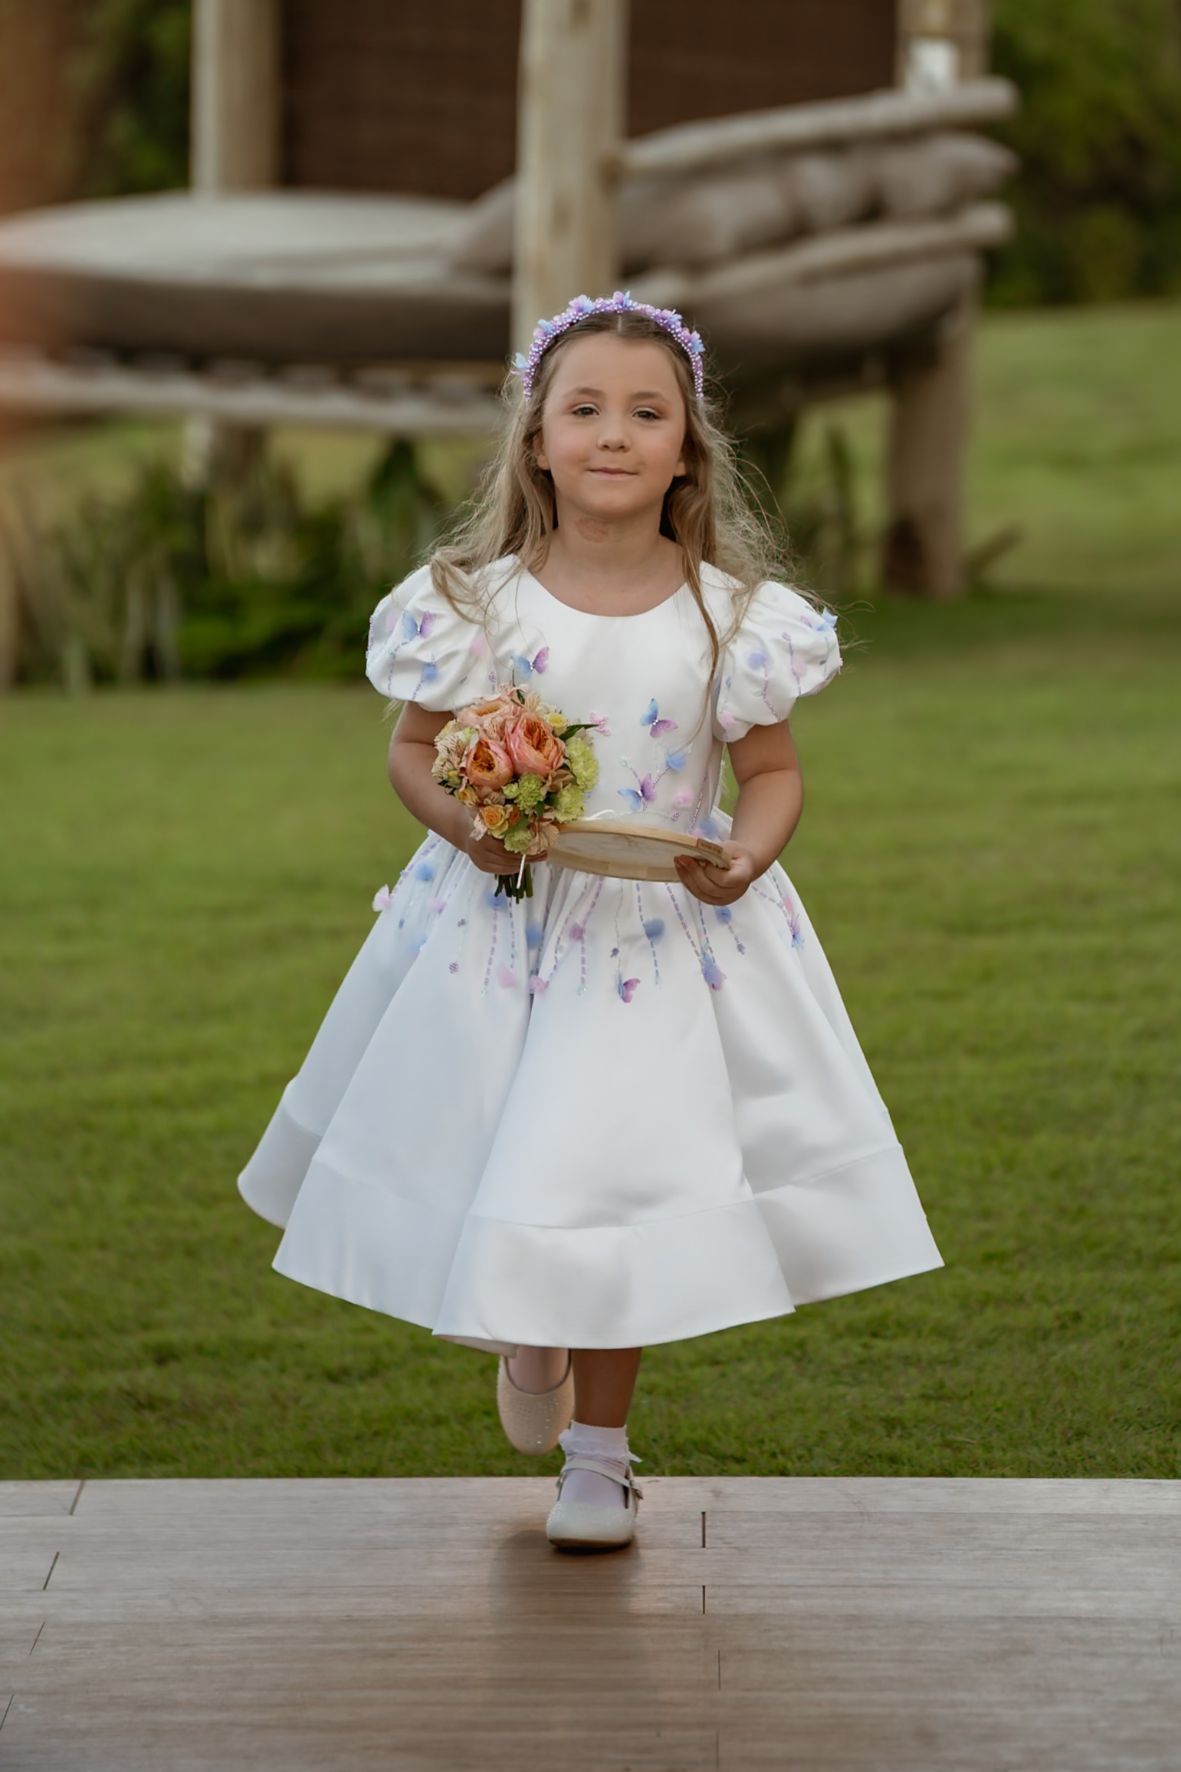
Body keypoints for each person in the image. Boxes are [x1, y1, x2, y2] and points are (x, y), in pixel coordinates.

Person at [237, 290, 944, 1553]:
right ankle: (529, 1333)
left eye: (644, 411)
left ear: (686, 449)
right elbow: (413, 752)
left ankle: (601, 1459)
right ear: (535, 440)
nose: (612, 432)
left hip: (661, 938)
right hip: (497, 927)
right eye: (583, 408)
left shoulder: (728, 617)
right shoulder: (476, 602)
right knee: (511, 1152)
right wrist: (471, 825)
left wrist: (748, 847)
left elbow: (770, 775)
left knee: (612, 1177)